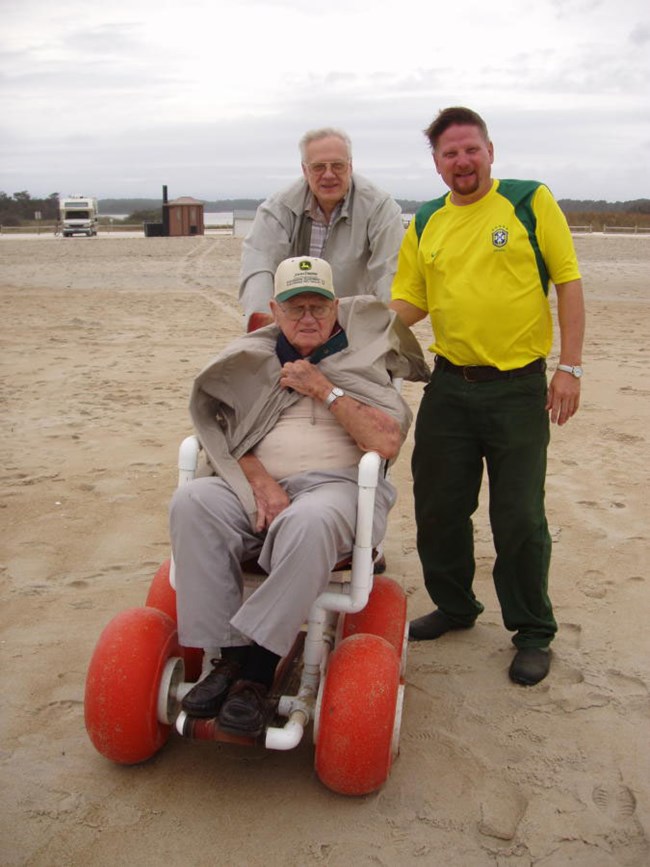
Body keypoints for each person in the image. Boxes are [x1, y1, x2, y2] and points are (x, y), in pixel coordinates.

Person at [170, 256, 428, 737]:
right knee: (192, 502)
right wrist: (259, 480)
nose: (307, 318)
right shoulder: (253, 360)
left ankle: (257, 670)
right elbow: (218, 432)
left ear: (335, 308)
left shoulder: (359, 362)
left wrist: (323, 389)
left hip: (335, 490)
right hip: (255, 488)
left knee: (309, 521)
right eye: (295, 307)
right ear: (274, 310)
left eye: (317, 306)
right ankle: (225, 660)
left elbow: (387, 442)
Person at [390, 106, 585, 686]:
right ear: (436, 163)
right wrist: (351, 324)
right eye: (449, 153)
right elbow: (410, 302)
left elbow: (569, 282)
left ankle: (532, 630)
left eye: (470, 149)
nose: (462, 161)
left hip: (519, 388)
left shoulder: (529, 201)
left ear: (490, 151)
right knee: (439, 508)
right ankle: (455, 607)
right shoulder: (426, 220)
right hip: (449, 386)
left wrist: (568, 369)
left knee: (519, 516)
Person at [239, 128, 405, 331]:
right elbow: (258, 264)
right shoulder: (279, 207)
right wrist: (264, 324)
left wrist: (384, 327)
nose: (328, 175)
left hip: (352, 322)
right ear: (304, 169)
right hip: (294, 322)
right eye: (318, 167)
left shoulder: (380, 207)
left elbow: (389, 271)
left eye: (338, 165)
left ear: (350, 166)